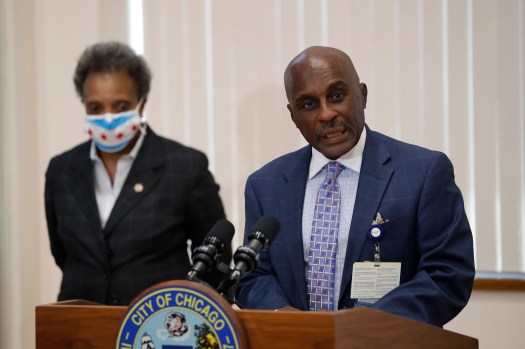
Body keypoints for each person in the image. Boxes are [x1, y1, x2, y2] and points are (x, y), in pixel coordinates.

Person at [236, 46, 475, 327]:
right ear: (293, 115)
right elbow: (253, 275)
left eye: (336, 96)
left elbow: (447, 273)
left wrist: (364, 325)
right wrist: (287, 319)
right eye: (309, 105)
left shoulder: (423, 172)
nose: (326, 114)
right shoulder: (266, 185)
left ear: (362, 95)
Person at [44, 41, 231, 306]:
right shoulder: (61, 170)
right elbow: (61, 253)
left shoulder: (185, 166)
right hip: (80, 323)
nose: (108, 117)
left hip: (160, 326)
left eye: (120, 106)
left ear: (141, 105)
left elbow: (215, 259)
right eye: (95, 107)